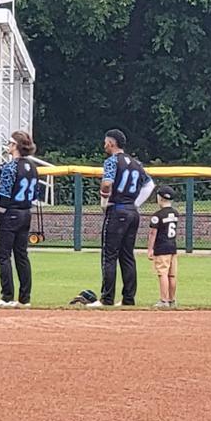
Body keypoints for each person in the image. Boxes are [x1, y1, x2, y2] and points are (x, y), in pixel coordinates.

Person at [88, 128, 155, 307]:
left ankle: (107, 298)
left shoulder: (112, 161)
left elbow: (107, 183)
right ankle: (128, 298)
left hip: (117, 210)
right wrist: (135, 203)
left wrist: (104, 201)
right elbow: (150, 185)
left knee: (109, 255)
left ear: (111, 143)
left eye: (105, 142)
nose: (104, 145)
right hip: (132, 212)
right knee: (127, 256)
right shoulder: (136, 163)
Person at [0, 130, 40, 307]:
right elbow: (35, 194)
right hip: (26, 212)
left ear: (15, 145)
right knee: (22, 256)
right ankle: (25, 298)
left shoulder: (11, 167)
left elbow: (4, 196)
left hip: (10, 213)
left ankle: (7, 296)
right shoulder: (33, 167)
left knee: (4, 256)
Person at [147, 185, 180, 308]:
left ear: (160, 198)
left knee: (163, 274)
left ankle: (163, 300)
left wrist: (150, 249)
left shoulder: (157, 216)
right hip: (172, 247)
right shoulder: (175, 213)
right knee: (172, 275)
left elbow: (153, 233)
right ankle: (172, 300)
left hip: (162, 248)